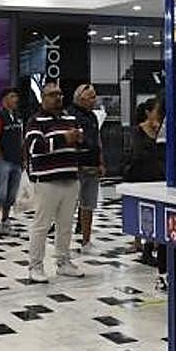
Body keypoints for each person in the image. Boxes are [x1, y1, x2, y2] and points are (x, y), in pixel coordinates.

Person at [25, 83, 85, 284]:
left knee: (66, 225)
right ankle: (35, 266)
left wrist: (78, 138)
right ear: (43, 98)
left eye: (59, 94)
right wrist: (63, 139)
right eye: (52, 94)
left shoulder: (70, 118)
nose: (57, 98)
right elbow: (35, 147)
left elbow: (79, 144)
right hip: (48, 181)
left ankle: (64, 262)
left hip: (70, 178)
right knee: (41, 225)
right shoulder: (36, 121)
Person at [127, 98, 168, 288]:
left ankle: (152, 247)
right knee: (145, 213)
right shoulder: (137, 131)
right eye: (156, 111)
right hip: (142, 177)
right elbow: (138, 154)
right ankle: (144, 246)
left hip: (159, 176)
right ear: (148, 112)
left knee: (159, 215)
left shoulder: (161, 129)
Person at [71, 84, 104, 253]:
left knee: (88, 205)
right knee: (69, 205)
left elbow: (97, 140)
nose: (94, 100)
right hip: (76, 167)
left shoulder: (92, 116)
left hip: (91, 166)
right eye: (91, 97)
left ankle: (86, 241)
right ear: (81, 98)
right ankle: (62, 243)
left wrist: (100, 162)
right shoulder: (71, 115)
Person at [0, 88, 23, 237]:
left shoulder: (17, 116)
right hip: (4, 161)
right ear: (4, 100)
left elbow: (20, 138)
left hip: (17, 160)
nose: (16, 99)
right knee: (0, 194)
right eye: (12, 96)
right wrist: (0, 158)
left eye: (16, 96)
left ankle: (5, 221)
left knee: (11, 195)